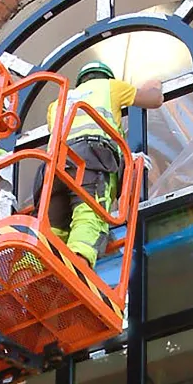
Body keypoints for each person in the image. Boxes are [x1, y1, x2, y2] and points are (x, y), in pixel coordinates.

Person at [27, 60, 163, 270]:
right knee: (89, 216)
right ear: (105, 76)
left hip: (53, 168)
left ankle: (24, 278)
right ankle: (76, 273)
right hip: (90, 159)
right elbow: (154, 100)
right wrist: (155, 86)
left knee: (49, 231)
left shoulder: (57, 103)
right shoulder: (110, 86)